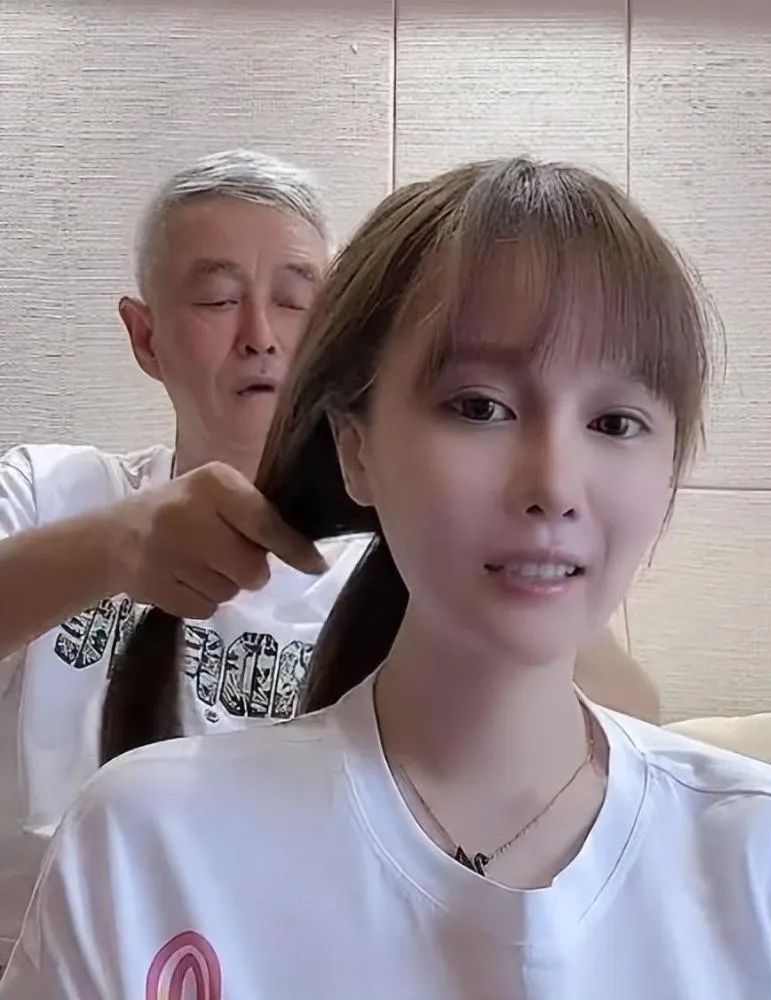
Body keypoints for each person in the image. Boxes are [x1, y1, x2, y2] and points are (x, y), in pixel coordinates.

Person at [12, 155, 771, 1000]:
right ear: (355, 446)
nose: (553, 484)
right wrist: (114, 548)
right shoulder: (145, 843)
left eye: (615, 423)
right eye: (480, 407)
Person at [0, 151, 658, 972]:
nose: (260, 335)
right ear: (146, 336)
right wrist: (112, 549)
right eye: (217, 299)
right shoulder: (54, 493)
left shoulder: (413, 555)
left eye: (294, 298)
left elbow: (636, 737)